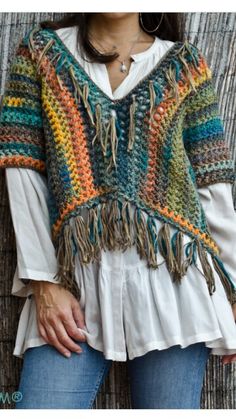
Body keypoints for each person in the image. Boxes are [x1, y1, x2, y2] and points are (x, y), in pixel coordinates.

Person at [0, 12, 236, 409]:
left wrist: (232, 291)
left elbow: (212, 183)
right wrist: (44, 281)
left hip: (174, 285)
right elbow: (22, 167)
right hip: (73, 282)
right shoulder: (41, 55)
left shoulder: (184, 65)